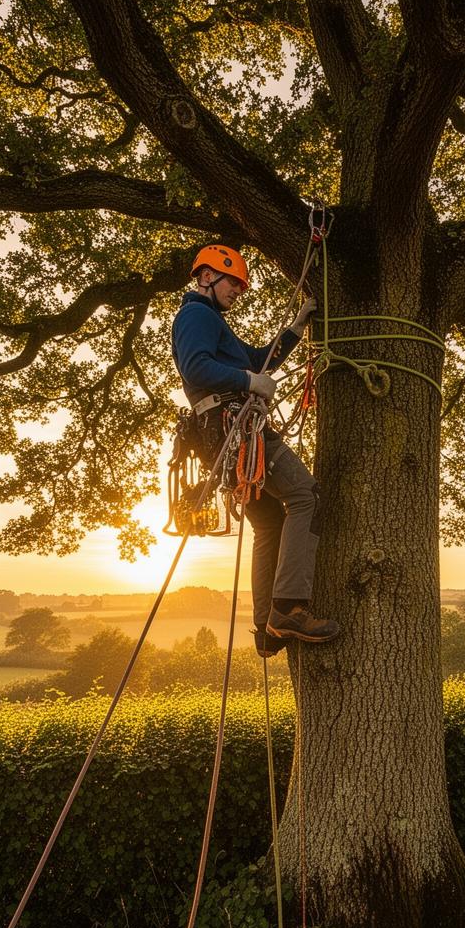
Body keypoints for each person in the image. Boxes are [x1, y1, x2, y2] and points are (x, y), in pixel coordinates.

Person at [172, 242, 340, 656]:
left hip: (226, 439)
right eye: (233, 282)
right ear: (207, 277)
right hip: (238, 432)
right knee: (307, 496)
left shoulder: (216, 324)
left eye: (242, 286)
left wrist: (297, 326)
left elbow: (261, 361)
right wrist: (248, 383)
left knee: (267, 522)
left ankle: (267, 627)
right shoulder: (195, 314)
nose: (238, 291)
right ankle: (288, 607)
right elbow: (196, 367)